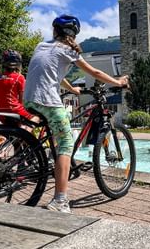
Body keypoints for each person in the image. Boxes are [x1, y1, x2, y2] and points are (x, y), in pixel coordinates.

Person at [24, 14, 128, 213]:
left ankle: (48, 161)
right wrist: (119, 82)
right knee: (66, 143)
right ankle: (60, 201)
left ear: (55, 31)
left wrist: (72, 89)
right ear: (74, 35)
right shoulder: (68, 50)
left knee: (56, 134)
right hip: (46, 100)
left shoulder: (41, 46)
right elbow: (95, 73)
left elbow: (52, 73)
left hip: (29, 98)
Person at [0, 49, 39, 126]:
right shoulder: (19, 77)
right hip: (14, 110)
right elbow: (23, 99)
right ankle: (25, 136)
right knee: (36, 119)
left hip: (0, 112)